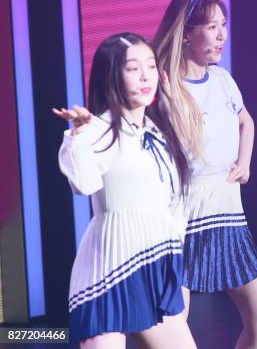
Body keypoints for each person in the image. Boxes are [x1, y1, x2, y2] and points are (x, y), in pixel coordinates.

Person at [153, 0, 257, 348]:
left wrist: (245, 163)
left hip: (227, 213)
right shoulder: (166, 85)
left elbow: (246, 122)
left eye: (224, 25)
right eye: (211, 26)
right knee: (173, 327)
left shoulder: (222, 79)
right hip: (185, 215)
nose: (222, 35)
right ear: (187, 33)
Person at [54, 33, 196, 348]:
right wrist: (78, 134)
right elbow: (84, 184)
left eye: (150, 66)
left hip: (155, 269)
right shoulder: (96, 129)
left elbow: (177, 202)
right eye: (133, 68)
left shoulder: (159, 132)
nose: (146, 76)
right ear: (112, 75)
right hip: (109, 273)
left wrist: (175, 266)